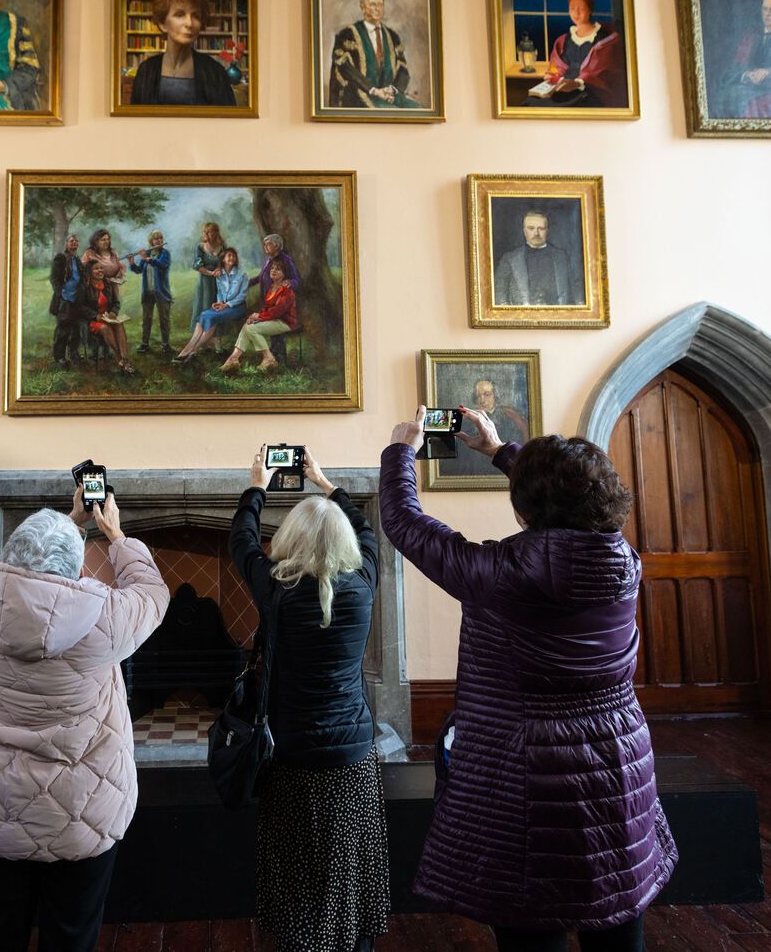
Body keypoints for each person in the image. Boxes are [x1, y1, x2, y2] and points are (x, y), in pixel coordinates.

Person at [379, 408, 677, 952]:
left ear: (525, 507)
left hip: (526, 766)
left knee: (530, 914)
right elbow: (568, 494)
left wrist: (403, 450)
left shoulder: (504, 575)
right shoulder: (624, 560)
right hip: (617, 753)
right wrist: (500, 451)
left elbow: (405, 524)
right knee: (615, 901)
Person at [0, 486, 169, 951]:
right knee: (71, 935)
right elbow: (152, 594)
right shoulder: (101, 617)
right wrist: (114, 535)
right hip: (80, 811)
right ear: (73, 565)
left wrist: (69, 522)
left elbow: (31, 586)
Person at [230, 446, 389, 951]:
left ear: (292, 540)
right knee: (349, 869)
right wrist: (325, 483)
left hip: (293, 757)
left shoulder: (277, 592)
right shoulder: (363, 584)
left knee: (299, 873)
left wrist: (257, 485)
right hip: (354, 757)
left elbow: (242, 542)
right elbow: (368, 532)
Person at [129, 0, 237, 107]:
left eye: (196, 16)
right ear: (163, 23)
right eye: (180, 14)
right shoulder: (146, 71)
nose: (189, 23)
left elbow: (228, 123)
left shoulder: (215, 72)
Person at [524, 0, 627, 109]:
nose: (576, 13)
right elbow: (555, 67)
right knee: (532, 102)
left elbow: (604, 73)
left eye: (581, 9)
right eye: (572, 8)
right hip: (562, 88)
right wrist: (552, 75)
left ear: (590, 10)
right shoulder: (563, 40)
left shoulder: (606, 39)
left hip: (589, 91)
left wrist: (578, 83)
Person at [327, 0, 421, 109]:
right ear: (363, 7)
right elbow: (345, 69)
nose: (378, 8)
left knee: (417, 108)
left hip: (389, 95)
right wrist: (373, 90)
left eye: (381, 5)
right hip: (360, 94)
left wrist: (393, 90)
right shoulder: (347, 34)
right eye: (372, 4)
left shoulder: (392, 36)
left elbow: (403, 68)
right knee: (390, 111)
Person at [221, 256, 295, 374]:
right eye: (272, 268)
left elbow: (277, 311)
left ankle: (269, 358)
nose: (273, 271)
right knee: (247, 326)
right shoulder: (271, 288)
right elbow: (267, 309)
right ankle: (233, 358)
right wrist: (254, 317)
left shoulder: (286, 291)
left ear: (284, 274)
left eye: (278, 269)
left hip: (284, 322)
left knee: (252, 329)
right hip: (273, 320)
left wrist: (259, 317)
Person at [174, 246, 247, 363]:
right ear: (223, 259)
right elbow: (220, 292)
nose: (232, 258)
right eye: (229, 255)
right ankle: (189, 350)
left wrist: (226, 305)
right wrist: (219, 302)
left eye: (233, 256)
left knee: (212, 317)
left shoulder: (241, 274)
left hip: (236, 307)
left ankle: (191, 351)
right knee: (203, 315)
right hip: (223, 306)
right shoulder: (220, 275)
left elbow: (242, 296)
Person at [495, 209, 580, 306]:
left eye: (541, 228)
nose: (536, 233)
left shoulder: (563, 258)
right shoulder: (509, 259)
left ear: (547, 230)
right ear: (524, 231)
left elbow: (578, 293)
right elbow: (499, 295)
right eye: (531, 228)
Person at [77, 261, 136, 375]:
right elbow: (80, 307)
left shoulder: (108, 284)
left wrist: (114, 312)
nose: (100, 271)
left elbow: (116, 302)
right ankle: (120, 358)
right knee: (105, 328)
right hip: (93, 320)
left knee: (118, 325)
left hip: (108, 317)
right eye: (96, 269)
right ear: (89, 271)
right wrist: (95, 316)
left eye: (101, 268)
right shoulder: (84, 287)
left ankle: (124, 359)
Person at [128, 230, 173, 354]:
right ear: (151, 241)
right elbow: (139, 270)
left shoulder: (165, 253)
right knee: (146, 319)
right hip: (147, 292)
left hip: (161, 292)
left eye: (160, 238)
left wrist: (147, 259)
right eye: (156, 239)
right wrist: (132, 262)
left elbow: (162, 265)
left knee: (164, 319)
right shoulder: (147, 254)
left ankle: (165, 344)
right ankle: (145, 344)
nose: (158, 241)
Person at [50, 233, 83, 368]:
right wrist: (62, 294)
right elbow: (54, 279)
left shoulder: (77, 259)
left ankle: (73, 353)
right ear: (66, 244)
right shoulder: (61, 258)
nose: (74, 243)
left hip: (76, 299)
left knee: (75, 328)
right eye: (71, 241)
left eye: (76, 241)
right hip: (65, 299)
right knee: (63, 329)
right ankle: (59, 357)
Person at [189, 221, 227, 327]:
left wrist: (219, 269)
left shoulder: (222, 246)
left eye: (214, 231)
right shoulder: (201, 247)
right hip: (205, 279)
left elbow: (224, 262)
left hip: (218, 279)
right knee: (204, 303)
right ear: (206, 233)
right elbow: (197, 265)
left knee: (217, 302)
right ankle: (202, 330)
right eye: (210, 232)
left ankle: (216, 333)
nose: (212, 234)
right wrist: (210, 273)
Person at [253, 234, 300, 301]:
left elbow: (296, 280)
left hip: (279, 299)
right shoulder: (267, 259)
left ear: (277, 246)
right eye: (264, 245)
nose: (265, 247)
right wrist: (246, 283)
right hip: (266, 298)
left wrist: (290, 283)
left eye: (268, 244)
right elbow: (261, 276)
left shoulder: (286, 260)